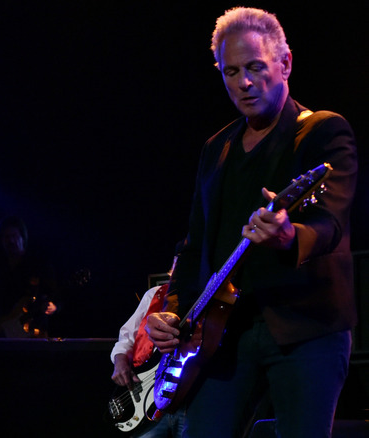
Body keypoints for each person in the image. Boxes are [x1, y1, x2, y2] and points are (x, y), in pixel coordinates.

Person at [145, 7, 357, 438]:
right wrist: (172, 313)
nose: (243, 82)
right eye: (231, 71)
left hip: (306, 329)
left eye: (256, 67)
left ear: (286, 63)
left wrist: (287, 237)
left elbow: (329, 221)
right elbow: (196, 244)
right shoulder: (216, 148)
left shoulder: (321, 131)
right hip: (225, 334)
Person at [110, 249, 185, 438]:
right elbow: (127, 336)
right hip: (146, 397)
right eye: (178, 264)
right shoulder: (155, 294)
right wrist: (120, 362)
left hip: (189, 399)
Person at [0, 216, 58, 337]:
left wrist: (55, 306)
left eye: (14, 236)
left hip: (32, 330)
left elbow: (52, 293)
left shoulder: (38, 264)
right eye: (7, 237)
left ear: (23, 237)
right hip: (4, 332)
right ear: (1, 240)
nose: (11, 241)